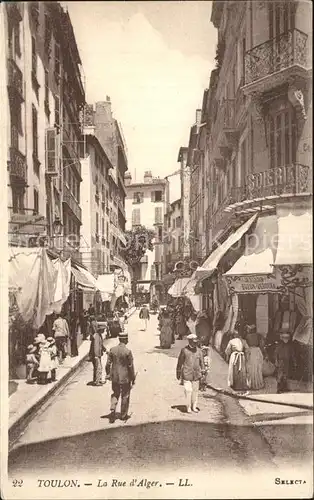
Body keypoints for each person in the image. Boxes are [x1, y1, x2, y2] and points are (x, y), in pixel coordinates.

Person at [105, 331, 136, 423]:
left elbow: (107, 364)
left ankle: (113, 407)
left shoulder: (112, 350)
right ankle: (123, 415)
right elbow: (130, 367)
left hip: (115, 377)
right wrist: (133, 378)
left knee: (115, 393)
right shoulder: (128, 352)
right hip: (125, 378)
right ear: (125, 340)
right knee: (125, 395)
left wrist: (108, 374)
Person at [176, 333, 205, 413]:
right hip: (187, 373)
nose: (195, 343)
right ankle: (188, 407)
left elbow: (202, 362)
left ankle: (194, 406)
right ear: (189, 341)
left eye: (196, 342)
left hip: (196, 374)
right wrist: (178, 372)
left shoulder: (199, 351)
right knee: (188, 390)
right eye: (193, 342)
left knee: (195, 391)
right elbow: (180, 362)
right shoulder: (184, 350)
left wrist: (203, 371)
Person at [245, 324, 265, 390]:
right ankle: (258, 383)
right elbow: (261, 345)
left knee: (251, 369)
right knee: (257, 368)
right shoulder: (258, 336)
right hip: (257, 351)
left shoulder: (247, 336)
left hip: (251, 352)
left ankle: (252, 384)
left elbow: (246, 346)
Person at [89, 315, 106, 386]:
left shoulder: (99, 336)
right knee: (98, 367)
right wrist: (96, 356)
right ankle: (97, 381)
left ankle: (98, 379)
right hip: (96, 354)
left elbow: (101, 345)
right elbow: (96, 346)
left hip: (98, 354)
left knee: (98, 367)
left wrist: (104, 349)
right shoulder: (96, 336)